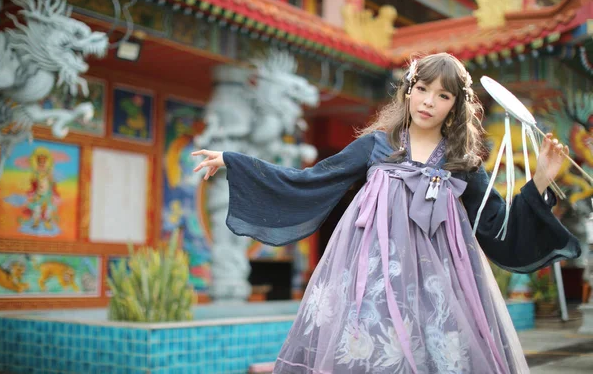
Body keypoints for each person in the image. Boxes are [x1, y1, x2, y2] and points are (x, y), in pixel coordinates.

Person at [192, 53, 580, 373]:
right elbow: (310, 180)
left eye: (442, 96)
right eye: (422, 89)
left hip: (440, 289)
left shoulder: (463, 163)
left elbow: (496, 224)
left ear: (456, 106)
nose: (428, 102)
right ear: (408, 91)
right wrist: (233, 160)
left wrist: (542, 179)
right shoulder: (377, 145)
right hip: (371, 281)